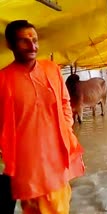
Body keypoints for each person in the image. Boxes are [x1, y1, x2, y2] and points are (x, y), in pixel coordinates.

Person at [0, 20, 85, 213]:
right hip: (26, 160)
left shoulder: (52, 69)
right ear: (10, 45)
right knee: (32, 205)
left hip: (56, 153)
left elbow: (65, 103)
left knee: (58, 204)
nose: (33, 46)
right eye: (24, 41)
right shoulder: (3, 79)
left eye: (35, 40)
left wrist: (66, 128)